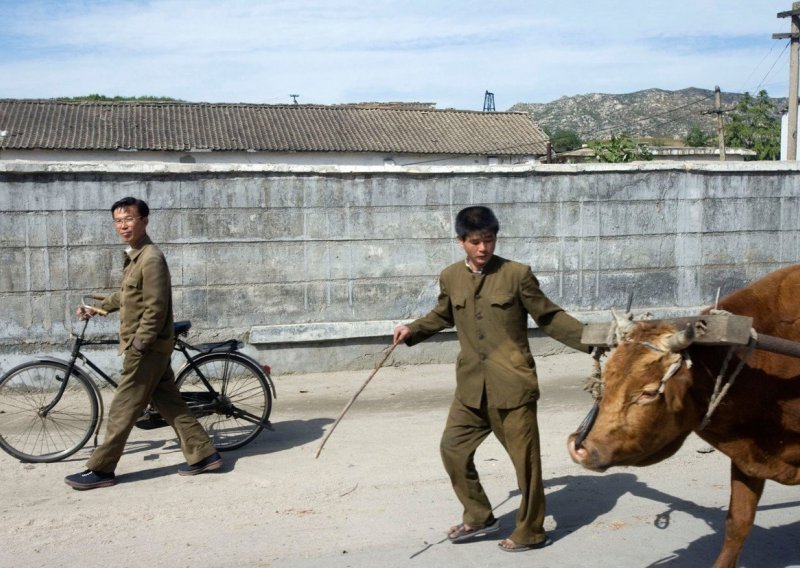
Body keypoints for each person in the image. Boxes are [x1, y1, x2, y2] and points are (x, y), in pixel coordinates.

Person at [393, 205, 590, 552]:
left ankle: (531, 532)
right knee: (452, 449)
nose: (483, 248)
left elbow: (550, 317)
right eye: (475, 242)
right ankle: (480, 515)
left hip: (512, 386)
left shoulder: (517, 275)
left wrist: (597, 341)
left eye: (489, 240)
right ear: (460, 241)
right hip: (471, 388)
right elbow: (443, 314)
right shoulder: (451, 276)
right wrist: (412, 329)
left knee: (525, 466)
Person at [65, 197, 222, 490]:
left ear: (145, 221)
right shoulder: (135, 255)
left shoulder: (151, 258)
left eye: (129, 219)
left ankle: (101, 470)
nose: (123, 226)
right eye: (118, 221)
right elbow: (127, 296)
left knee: (123, 409)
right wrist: (97, 307)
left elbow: (155, 307)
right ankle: (204, 455)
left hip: (146, 349)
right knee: (171, 404)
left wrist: (140, 344)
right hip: (148, 348)